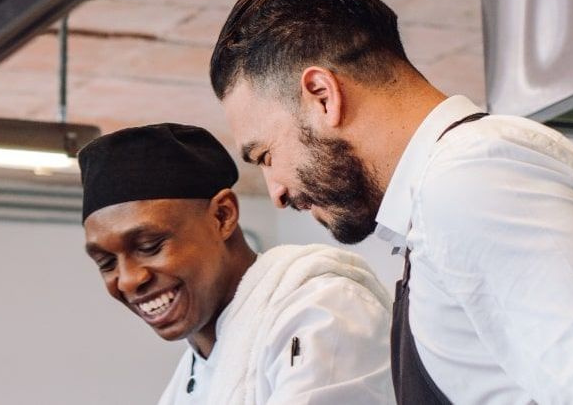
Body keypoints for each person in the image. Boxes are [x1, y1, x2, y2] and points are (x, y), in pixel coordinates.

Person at [210, 0, 573, 405]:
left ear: (322, 96)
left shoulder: (473, 178)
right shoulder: (438, 203)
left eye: (266, 156)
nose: (275, 191)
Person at [79, 122, 395, 404]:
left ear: (223, 216)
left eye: (149, 246)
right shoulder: (193, 373)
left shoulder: (324, 310)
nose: (128, 280)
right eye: (106, 263)